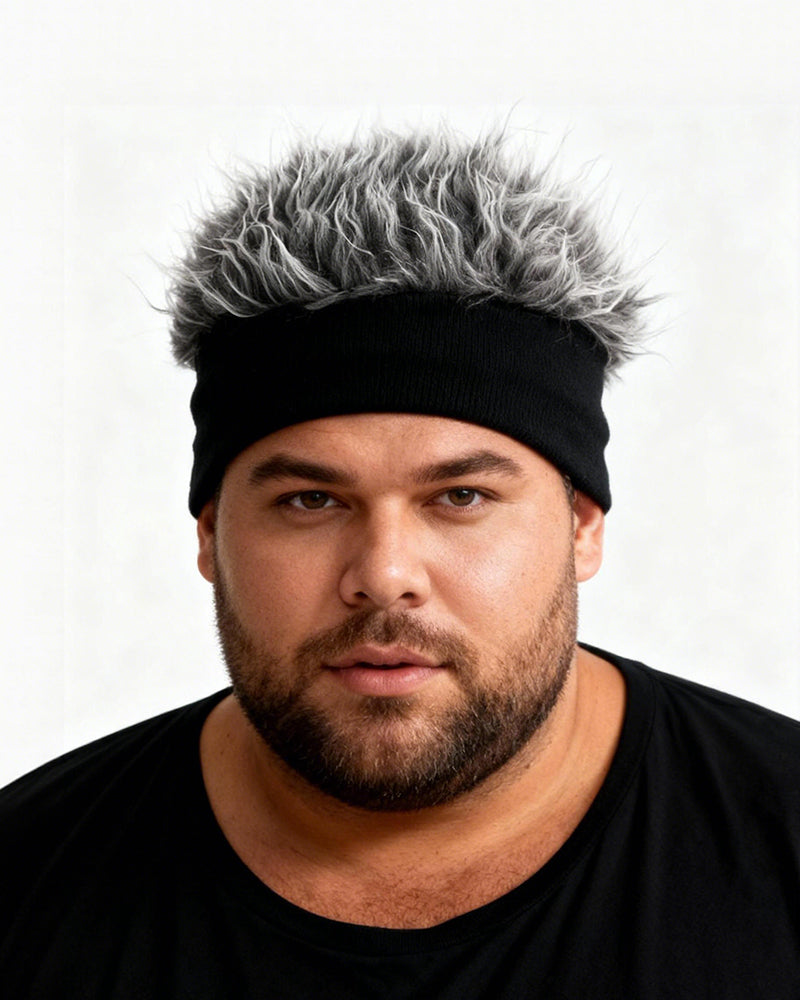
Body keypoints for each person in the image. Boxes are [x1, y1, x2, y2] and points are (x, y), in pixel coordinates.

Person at [1, 126, 798, 999]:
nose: (383, 576)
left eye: (460, 497)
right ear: (210, 536)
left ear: (581, 529)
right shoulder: (29, 885)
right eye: (311, 501)